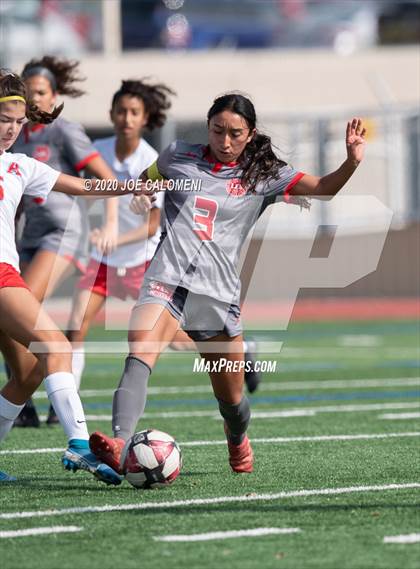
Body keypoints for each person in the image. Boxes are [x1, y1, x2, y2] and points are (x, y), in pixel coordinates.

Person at [89, 93, 366, 475]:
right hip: (167, 279)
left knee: (232, 401)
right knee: (140, 348)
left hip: (216, 297)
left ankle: (236, 438)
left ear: (250, 134)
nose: (224, 141)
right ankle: (121, 442)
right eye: (217, 130)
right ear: (207, 128)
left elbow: (323, 187)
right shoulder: (176, 155)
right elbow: (147, 181)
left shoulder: (264, 174)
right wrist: (142, 191)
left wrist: (351, 162)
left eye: (235, 133)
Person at [0, 70, 147, 483]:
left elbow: (81, 186)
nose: (12, 129)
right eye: (3, 120)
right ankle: (80, 445)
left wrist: (132, 187)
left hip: (6, 273)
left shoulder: (19, 166)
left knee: (29, 373)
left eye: (18, 121)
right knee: (55, 345)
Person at [12, 56, 120, 427]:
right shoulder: (14, 132)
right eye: (27, 93)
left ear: (55, 95)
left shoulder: (63, 130)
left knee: (20, 302)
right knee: (11, 317)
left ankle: (34, 392)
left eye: (40, 92)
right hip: (28, 236)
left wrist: (109, 222)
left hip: (64, 232)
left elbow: (101, 177)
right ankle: (22, 388)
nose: (33, 99)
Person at [67, 79, 171, 391]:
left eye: (134, 112)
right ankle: (66, 404)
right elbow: (83, 196)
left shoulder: (152, 162)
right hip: (102, 260)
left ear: (145, 118)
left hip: (141, 260)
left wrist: (117, 238)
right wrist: (93, 230)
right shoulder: (96, 153)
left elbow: (153, 226)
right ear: (112, 114)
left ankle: (241, 351)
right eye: (121, 111)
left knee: (172, 337)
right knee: (75, 327)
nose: (127, 118)